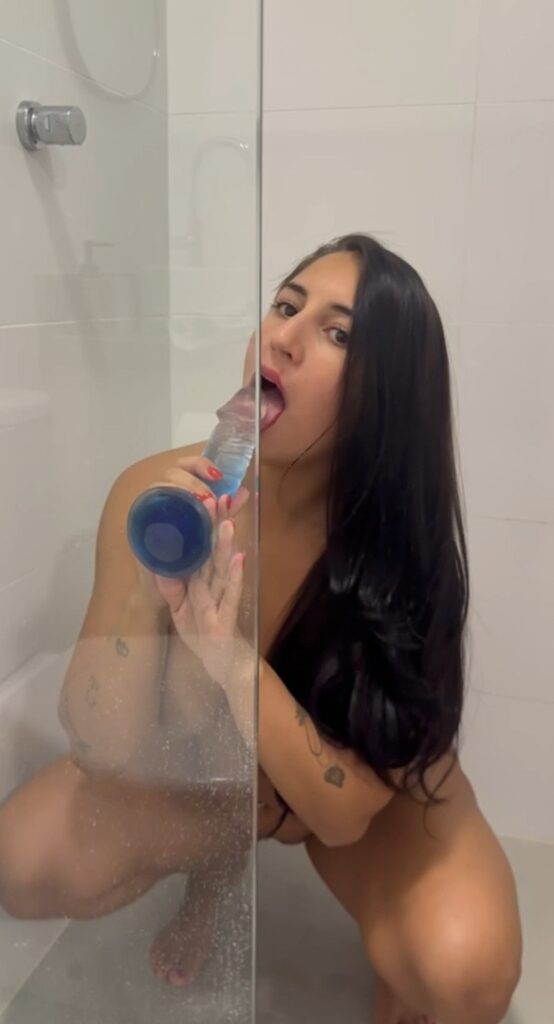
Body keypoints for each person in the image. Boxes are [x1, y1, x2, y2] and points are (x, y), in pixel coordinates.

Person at [0, 234, 522, 1024]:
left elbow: (345, 814)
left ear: (386, 396)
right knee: (21, 862)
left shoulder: (398, 544)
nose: (283, 335)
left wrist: (231, 657)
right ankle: (216, 876)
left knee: (466, 973)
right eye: (285, 305)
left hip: (359, 785)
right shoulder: (156, 496)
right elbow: (98, 745)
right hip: (222, 785)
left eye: (336, 332)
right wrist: (151, 586)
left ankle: (394, 958)